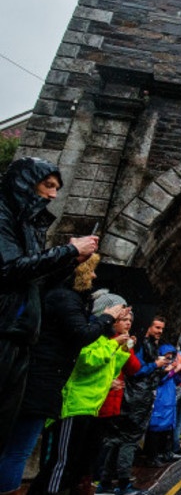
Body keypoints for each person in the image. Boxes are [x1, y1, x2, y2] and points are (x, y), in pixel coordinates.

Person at [0, 257, 123, 495]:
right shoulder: (65, 300)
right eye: (90, 270)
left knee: (51, 458)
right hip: (66, 397)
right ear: (76, 270)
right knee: (30, 456)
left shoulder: (57, 298)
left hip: (74, 399)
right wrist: (107, 320)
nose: (93, 278)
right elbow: (83, 344)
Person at [0, 157, 98, 462]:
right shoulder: (4, 217)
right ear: (25, 183)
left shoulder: (28, 224)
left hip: (17, 339)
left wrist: (69, 261)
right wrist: (68, 250)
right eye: (48, 185)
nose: (53, 195)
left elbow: (35, 283)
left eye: (57, 187)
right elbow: (8, 269)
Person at [22, 291, 132, 495]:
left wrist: (120, 349)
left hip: (89, 407)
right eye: (122, 313)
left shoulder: (105, 337)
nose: (126, 318)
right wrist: (114, 344)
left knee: (73, 463)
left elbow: (109, 370)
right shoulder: (92, 333)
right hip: (73, 405)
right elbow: (86, 361)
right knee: (61, 463)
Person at [105, 315, 167, 495]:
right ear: (148, 327)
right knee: (129, 440)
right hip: (135, 397)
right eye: (156, 327)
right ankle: (123, 485)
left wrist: (158, 369)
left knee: (117, 439)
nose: (159, 331)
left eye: (162, 328)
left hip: (136, 396)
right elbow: (136, 369)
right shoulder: (138, 344)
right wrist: (155, 365)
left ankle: (106, 483)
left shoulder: (146, 344)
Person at [94, 309, 141, 495]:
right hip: (100, 397)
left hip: (115, 398)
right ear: (112, 321)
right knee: (103, 443)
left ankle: (104, 484)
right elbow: (95, 363)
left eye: (130, 320)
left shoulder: (122, 342)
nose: (128, 323)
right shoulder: (103, 339)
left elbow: (133, 368)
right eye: (123, 320)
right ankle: (100, 482)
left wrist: (126, 348)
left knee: (111, 440)